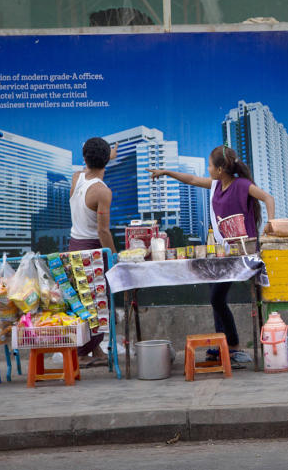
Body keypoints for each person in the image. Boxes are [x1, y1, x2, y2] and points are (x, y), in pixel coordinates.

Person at [147, 146, 276, 366]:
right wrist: (166, 172)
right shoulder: (216, 184)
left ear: (221, 169)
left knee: (217, 298)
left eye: (210, 165)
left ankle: (232, 345)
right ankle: (223, 344)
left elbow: (268, 198)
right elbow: (191, 179)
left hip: (242, 254)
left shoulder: (242, 185)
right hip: (221, 252)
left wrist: (271, 223)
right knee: (216, 297)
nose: (207, 169)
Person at [69, 137, 117, 367]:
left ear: (85, 158)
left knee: (83, 301)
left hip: (73, 248)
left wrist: (107, 157)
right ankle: (81, 352)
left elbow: (89, 168)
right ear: (106, 160)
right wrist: (115, 257)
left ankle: (94, 349)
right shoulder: (102, 192)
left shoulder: (76, 178)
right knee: (99, 303)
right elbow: (103, 231)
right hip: (93, 251)